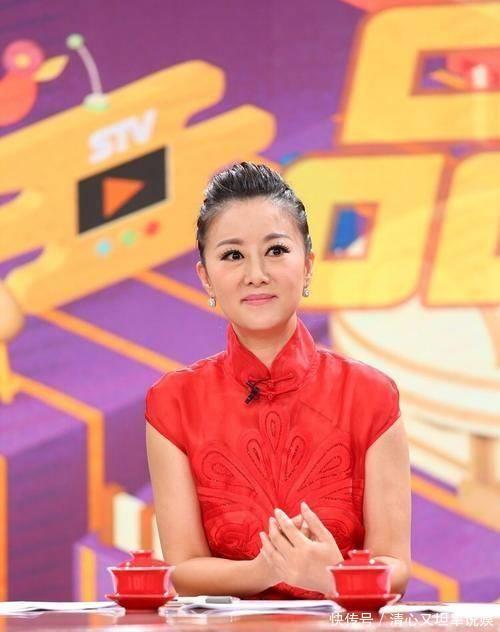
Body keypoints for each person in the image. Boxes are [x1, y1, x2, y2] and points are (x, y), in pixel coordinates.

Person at [145, 162, 411, 600]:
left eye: (276, 250)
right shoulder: (173, 402)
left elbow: (394, 563)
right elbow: (184, 568)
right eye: (233, 255)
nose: (256, 273)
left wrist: (333, 577)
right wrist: (267, 570)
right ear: (205, 277)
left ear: (307, 266)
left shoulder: (371, 395)